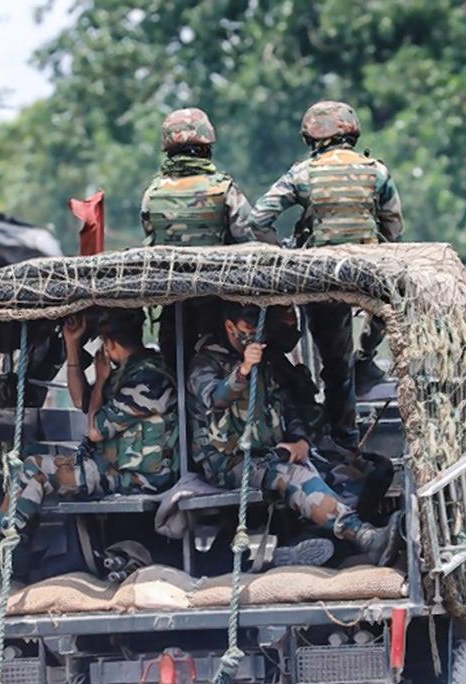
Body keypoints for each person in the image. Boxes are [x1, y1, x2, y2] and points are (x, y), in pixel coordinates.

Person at [0, 309, 179, 585]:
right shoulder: (129, 371)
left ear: (109, 344)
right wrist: (73, 345)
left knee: (33, 469)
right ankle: (16, 553)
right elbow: (81, 401)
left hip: (139, 479)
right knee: (29, 456)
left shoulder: (149, 377)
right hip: (115, 469)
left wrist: (100, 380)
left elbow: (95, 429)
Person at [187, 303, 402, 565]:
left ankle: (310, 545)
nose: (256, 332)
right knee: (296, 477)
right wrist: (243, 371)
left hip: (271, 453)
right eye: (248, 325)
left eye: (259, 325)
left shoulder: (266, 362)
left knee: (363, 471)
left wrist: (300, 441)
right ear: (230, 326)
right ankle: (365, 537)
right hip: (229, 462)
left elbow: (288, 408)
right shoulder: (205, 364)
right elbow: (215, 398)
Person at [249, 100, 404, 443]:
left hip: (324, 276)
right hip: (369, 274)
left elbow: (258, 220)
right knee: (386, 310)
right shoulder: (376, 171)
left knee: (335, 365)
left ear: (312, 137)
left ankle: (342, 438)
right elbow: (394, 230)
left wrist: (285, 251)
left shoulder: (303, 173)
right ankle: (367, 357)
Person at [140, 107, 255, 365]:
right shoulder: (224, 189)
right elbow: (249, 240)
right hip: (217, 302)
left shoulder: (153, 193)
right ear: (206, 146)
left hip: (173, 303)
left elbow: (150, 237)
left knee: (175, 368)